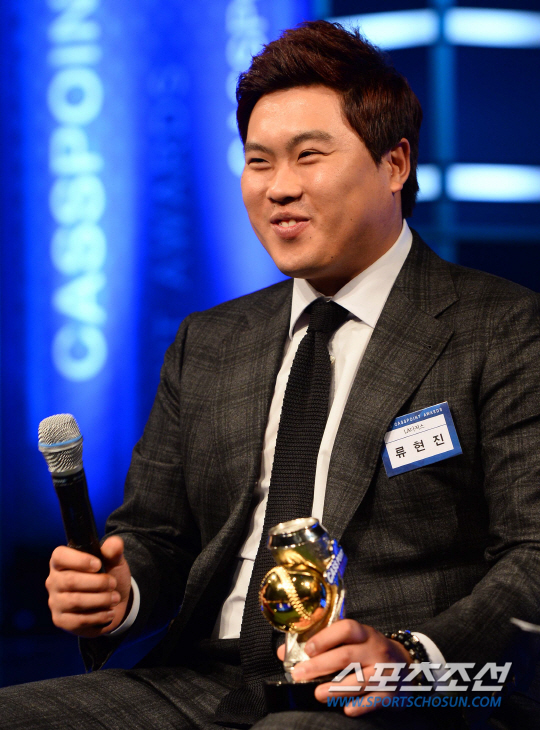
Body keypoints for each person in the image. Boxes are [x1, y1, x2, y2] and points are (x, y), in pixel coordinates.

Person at [2, 20, 540, 730]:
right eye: (259, 162)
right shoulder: (209, 341)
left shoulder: (503, 328)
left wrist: (415, 659)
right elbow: (157, 536)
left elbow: (533, 552)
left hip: (389, 692)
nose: (279, 188)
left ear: (394, 165)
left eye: (309, 156)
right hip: (203, 680)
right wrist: (120, 591)